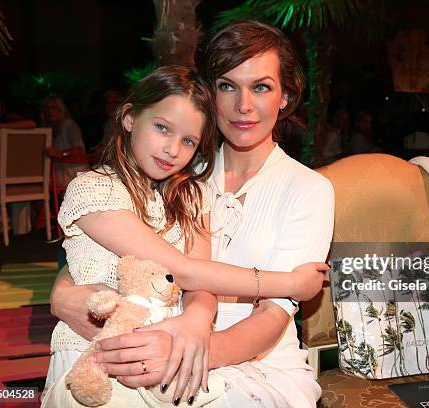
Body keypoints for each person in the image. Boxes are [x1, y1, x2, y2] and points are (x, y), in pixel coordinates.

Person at [50, 21, 335, 408]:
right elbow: (112, 251)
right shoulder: (178, 174)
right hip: (153, 343)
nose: (244, 105)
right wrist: (62, 292)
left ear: (286, 96)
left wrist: (191, 344)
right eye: (227, 86)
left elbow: (273, 315)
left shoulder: (308, 189)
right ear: (210, 94)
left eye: (262, 87)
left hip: (256, 364)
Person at [41, 95, 90, 187]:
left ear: (61, 109)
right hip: (60, 178)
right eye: (47, 108)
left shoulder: (70, 125)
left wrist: (61, 154)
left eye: (53, 108)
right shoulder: (48, 128)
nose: (50, 111)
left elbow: (79, 149)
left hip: (74, 177)